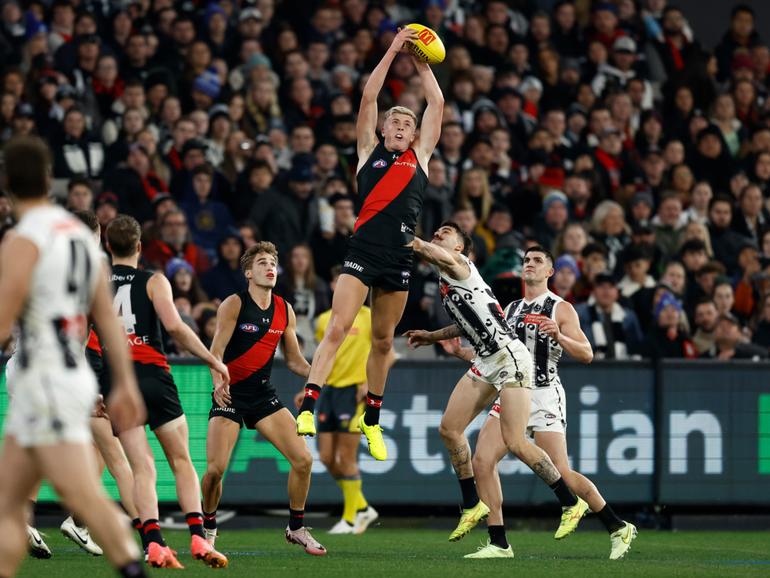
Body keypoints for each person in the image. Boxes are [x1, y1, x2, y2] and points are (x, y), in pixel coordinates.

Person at [296, 27, 444, 462]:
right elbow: (367, 97)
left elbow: (436, 103)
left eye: (407, 123)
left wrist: (421, 64)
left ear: (415, 134)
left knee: (382, 342)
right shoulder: (368, 153)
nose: (400, 125)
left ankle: (371, 420)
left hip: (400, 257)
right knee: (339, 328)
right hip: (361, 252)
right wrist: (394, 48)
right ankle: (308, 405)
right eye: (393, 121)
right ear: (382, 129)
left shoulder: (421, 158)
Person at [0, 135, 146, 577]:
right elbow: (108, 320)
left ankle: (132, 565)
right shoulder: (84, 243)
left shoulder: (23, 239)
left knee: (83, 494)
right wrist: (123, 384)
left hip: (39, 376)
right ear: (48, 180)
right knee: (9, 499)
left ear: (8, 185)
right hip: (72, 375)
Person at [445, 246, 637, 560]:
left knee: (561, 471)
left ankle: (617, 526)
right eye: (526, 261)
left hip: (544, 393)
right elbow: (492, 354)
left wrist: (560, 337)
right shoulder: (511, 309)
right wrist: (462, 353)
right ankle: (499, 542)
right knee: (482, 461)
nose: (530, 265)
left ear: (549, 272)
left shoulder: (561, 309)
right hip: (511, 390)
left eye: (537, 261)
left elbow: (587, 353)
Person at [403, 224, 568, 551]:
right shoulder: (445, 280)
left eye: (446, 232)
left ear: (460, 249)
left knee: (516, 442)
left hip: (510, 359)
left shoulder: (458, 265)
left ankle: (569, 501)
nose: (438, 234)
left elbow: (425, 250)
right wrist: (431, 336)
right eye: (436, 232)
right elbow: (464, 323)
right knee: (449, 429)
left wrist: (402, 234)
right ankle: (472, 505)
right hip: (488, 361)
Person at [104, 214, 229, 568]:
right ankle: (197, 537)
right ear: (140, 247)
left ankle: (155, 543)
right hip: (153, 376)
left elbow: (85, 340)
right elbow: (175, 327)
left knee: (142, 468)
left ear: (107, 246)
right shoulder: (154, 281)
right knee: (181, 460)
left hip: (117, 383)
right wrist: (212, 360)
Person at [200, 242, 326, 556]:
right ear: (248, 272)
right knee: (215, 470)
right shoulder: (234, 304)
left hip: (262, 396)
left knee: (304, 460)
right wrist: (218, 382)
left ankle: (296, 527)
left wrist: (321, 376)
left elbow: (295, 361)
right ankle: (208, 528)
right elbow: (215, 352)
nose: (270, 267)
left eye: (273, 262)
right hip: (230, 394)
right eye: (261, 263)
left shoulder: (285, 309)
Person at [294, 267, 380, 535]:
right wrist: (307, 388)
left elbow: (383, 354)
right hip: (329, 390)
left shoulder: (370, 317)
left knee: (346, 457)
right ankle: (363, 507)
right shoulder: (323, 321)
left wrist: (369, 383)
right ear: (335, 285)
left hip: (354, 390)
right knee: (328, 457)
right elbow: (324, 358)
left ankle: (351, 518)